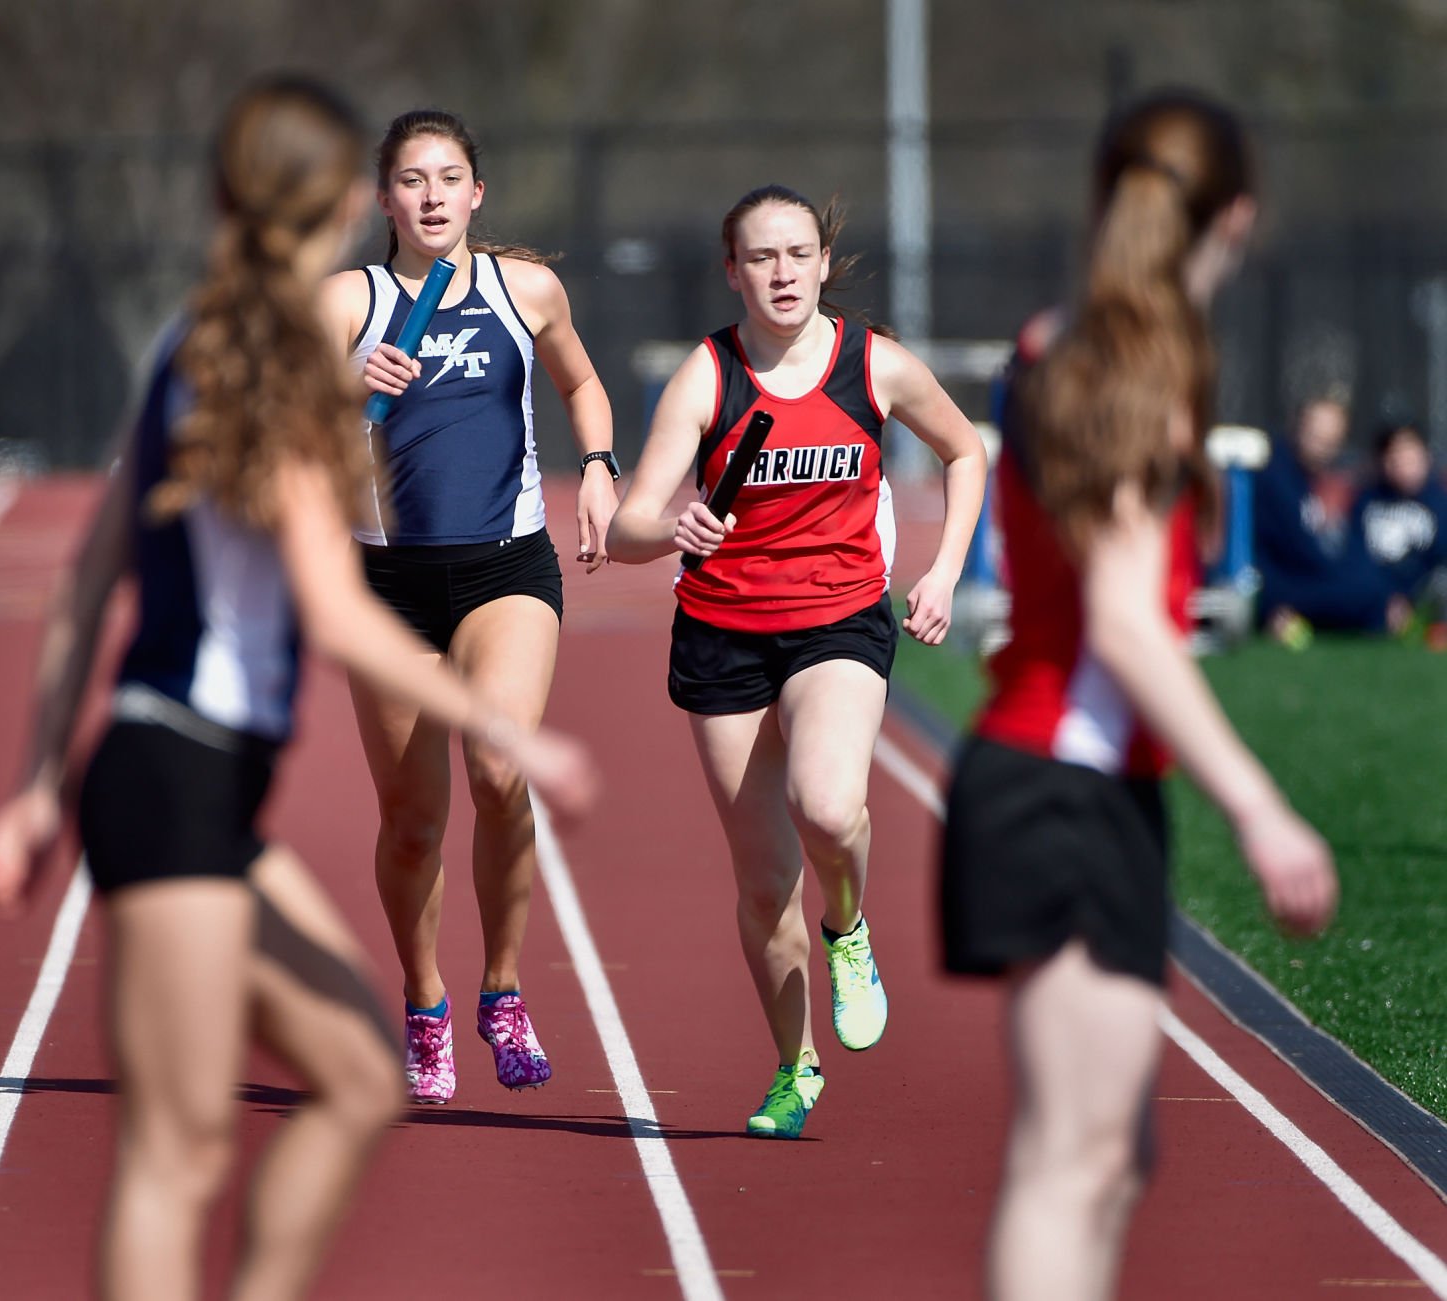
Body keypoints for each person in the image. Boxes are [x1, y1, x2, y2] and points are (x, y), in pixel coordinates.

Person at [0, 77, 595, 1301]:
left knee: (327, 1091)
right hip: (179, 776)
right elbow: (339, 608)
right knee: (182, 1142)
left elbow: (87, 579)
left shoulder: (182, 346)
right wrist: (501, 730)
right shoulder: (277, 375)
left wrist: (40, 783)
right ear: (339, 212)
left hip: (168, 776)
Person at [939, 90, 1338, 1301]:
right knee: (1073, 1160)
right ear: (1235, 218)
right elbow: (1121, 618)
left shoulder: (1071, 342)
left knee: (1106, 1157)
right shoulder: (1125, 365)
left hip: (1077, 785)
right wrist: (1258, 803)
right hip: (1054, 781)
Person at [606, 184, 987, 1139]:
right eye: (762, 258)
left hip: (839, 624)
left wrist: (942, 572)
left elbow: (965, 450)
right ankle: (794, 1064)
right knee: (764, 882)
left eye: (798, 254)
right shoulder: (707, 377)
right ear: (732, 272)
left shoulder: (873, 365)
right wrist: (673, 527)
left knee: (827, 805)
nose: (782, 273)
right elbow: (627, 526)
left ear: (826, 263)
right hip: (724, 635)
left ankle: (848, 926)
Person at [315, 108, 616, 1105]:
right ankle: (425, 1000)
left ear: (477, 192)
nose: (431, 195)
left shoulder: (522, 288)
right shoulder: (343, 300)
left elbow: (579, 382)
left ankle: (502, 988)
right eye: (411, 179)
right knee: (411, 821)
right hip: (387, 585)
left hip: (504, 570)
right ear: (381, 198)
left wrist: (603, 467)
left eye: (449, 177)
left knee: (497, 764)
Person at [1254, 395, 1398, 644]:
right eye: (1317, 438)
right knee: (1367, 593)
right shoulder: (1276, 478)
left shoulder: (1314, 478)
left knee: (1370, 584)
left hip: (1305, 578)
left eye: (1331, 442)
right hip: (1280, 587)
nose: (1323, 449)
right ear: (1297, 428)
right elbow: (1304, 553)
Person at [1352, 420, 1447, 647]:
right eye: (1395, 457)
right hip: (1377, 593)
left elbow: (1437, 559)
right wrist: (1387, 598)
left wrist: (1408, 598)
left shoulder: (1437, 503)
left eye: (1410, 456)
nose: (1403, 465)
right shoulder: (1367, 501)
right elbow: (1356, 555)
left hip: (1422, 592)